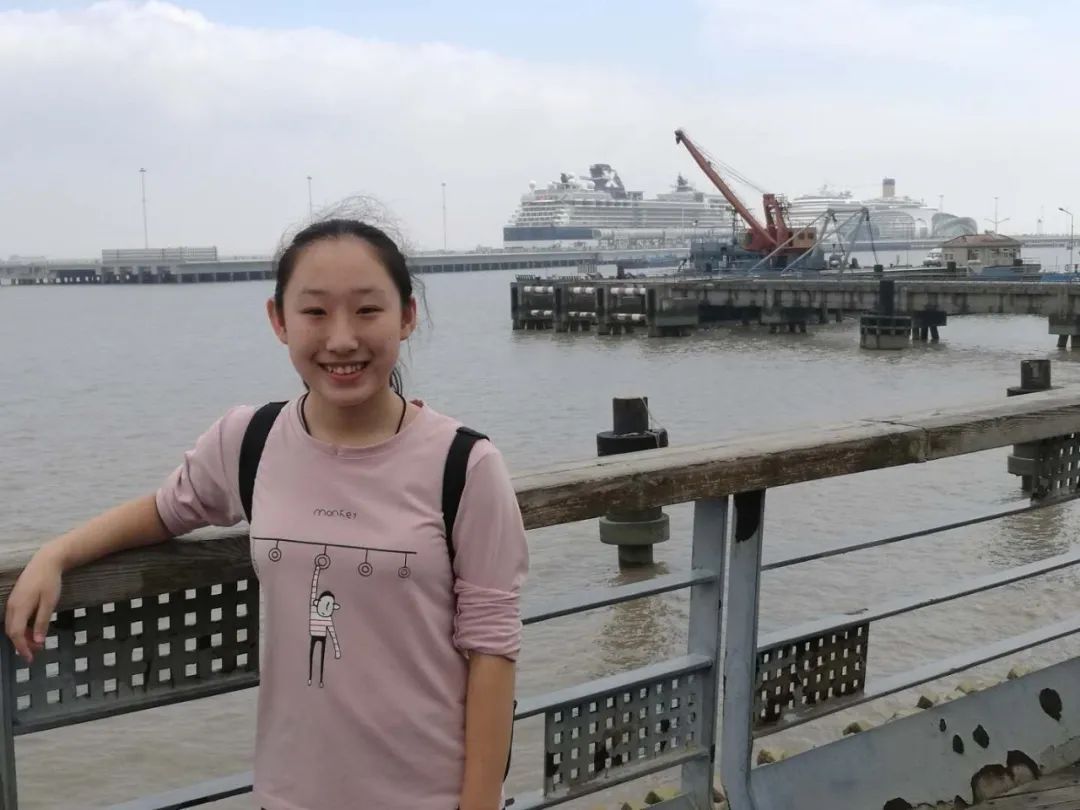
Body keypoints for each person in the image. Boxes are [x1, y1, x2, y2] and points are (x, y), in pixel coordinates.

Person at [4, 218, 529, 810]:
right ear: (279, 320)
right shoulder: (248, 441)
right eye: (314, 312)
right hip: (288, 794)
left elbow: (492, 649)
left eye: (367, 310)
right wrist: (56, 555)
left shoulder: (466, 465)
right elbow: (162, 511)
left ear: (407, 316)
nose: (341, 339)